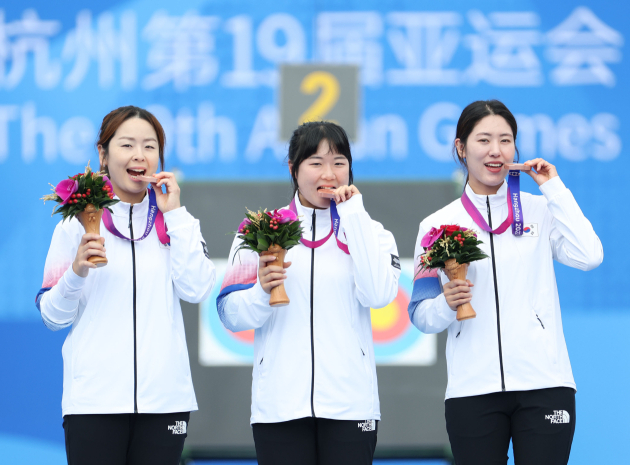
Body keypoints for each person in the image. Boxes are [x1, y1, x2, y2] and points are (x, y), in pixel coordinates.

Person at [408, 100, 603, 465]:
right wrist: (446, 303)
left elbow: (589, 255)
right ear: (461, 148)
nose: (496, 151)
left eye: (506, 140)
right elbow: (421, 316)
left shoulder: (541, 210)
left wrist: (554, 188)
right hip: (472, 391)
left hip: (545, 384)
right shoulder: (435, 227)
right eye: (483, 140)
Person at [35, 106, 216, 465]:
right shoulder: (75, 224)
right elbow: (52, 317)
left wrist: (175, 214)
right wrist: (75, 272)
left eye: (150, 146)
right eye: (127, 145)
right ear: (103, 155)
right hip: (93, 403)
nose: (139, 155)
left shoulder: (178, 222)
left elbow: (197, 290)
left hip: (166, 404)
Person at [216, 121, 400, 465]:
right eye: (316, 163)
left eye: (339, 162)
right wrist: (261, 290)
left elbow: (378, 296)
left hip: (351, 406)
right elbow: (229, 314)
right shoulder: (259, 232)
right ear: (293, 169)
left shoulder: (372, 233)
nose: (329, 174)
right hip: (280, 407)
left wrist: (354, 218)